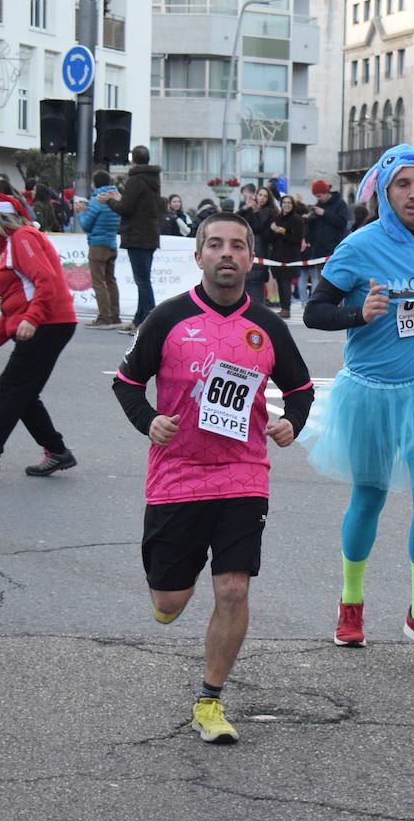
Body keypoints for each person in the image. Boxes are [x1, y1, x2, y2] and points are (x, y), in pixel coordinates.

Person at [111, 213, 314, 743]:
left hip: (242, 472)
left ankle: (210, 700)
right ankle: (180, 578)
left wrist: (292, 422)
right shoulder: (167, 318)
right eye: (216, 245)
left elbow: (301, 388)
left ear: (250, 260)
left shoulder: (268, 326)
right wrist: (147, 420)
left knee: (232, 588)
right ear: (198, 256)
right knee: (168, 603)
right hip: (176, 472)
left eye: (239, 246)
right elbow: (127, 383)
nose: (228, 254)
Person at [301, 143, 414, 659]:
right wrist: (361, 314)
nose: (413, 193)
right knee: (370, 496)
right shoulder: (358, 246)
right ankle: (350, 603)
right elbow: (315, 311)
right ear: (383, 190)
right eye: (402, 184)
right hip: (370, 394)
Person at [0, 193, 80, 481]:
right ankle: (57, 451)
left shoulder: (22, 238)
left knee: (12, 388)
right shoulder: (12, 242)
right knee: (21, 392)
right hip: (49, 321)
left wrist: (32, 319)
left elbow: (46, 282)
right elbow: (16, 300)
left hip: (48, 322)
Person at [107, 146, 165, 335]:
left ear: (134, 160)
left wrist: (110, 201)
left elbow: (126, 208)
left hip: (136, 235)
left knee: (142, 280)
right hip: (150, 234)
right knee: (143, 279)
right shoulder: (153, 179)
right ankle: (139, 319)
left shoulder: (135, 180)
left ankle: (148, 320)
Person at [78, 170, 123, 329]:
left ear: (95, 183)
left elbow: (86, 224)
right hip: (111, 243)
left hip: (97, 244)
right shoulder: (116, 198)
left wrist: (80, 212)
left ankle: (104, 317)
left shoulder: (97, 201)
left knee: (98, 282)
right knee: (111, 280)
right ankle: (115, 315)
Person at [303, 178, 351, 296]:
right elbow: (313, 230)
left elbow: (342, 222)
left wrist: (324, 214)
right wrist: (309, 220)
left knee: (335, 282)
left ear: (326, 193)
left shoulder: (340, 204)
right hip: (319, 251)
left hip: (334, 250)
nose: (318, 199)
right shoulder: (318, 205)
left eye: (319, 196)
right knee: (321, 283)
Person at [266, 194, 306, 317]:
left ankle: (286, 308)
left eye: (289, 203)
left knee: (285, 282)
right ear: (281, 205)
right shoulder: (277, 218)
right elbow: (271, 238)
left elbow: (296, 238)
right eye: (284, 203)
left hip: (290, 256)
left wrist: (281, 231)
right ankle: (283, 307)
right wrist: (273, 231)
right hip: (277, 255)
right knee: (279, 281)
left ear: (292, 205)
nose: (286, 205)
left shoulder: (297, 219)